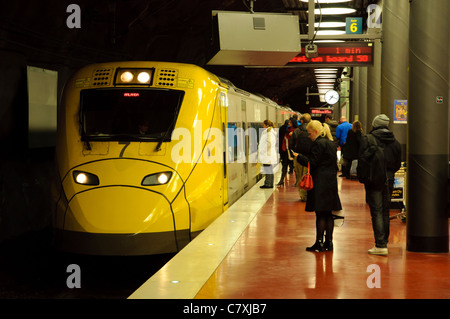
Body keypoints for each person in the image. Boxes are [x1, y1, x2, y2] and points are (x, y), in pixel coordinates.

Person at [292, 120, 342, 252]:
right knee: (329, 214)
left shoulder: (318, 144)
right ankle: (329, 243)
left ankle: (319, 243)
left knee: (320, 214)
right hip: (331, 181)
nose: (309, 136)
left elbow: (312, 162)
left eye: (309, 134)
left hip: (320, 182)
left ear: (315, 132)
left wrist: (299, 157)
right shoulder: (331, 143)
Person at [360, 114, 401, 255]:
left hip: (374, 179)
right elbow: (397, 164)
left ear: (374, 124)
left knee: (376, 211)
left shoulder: (368, 139)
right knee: (385, 211)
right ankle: (384, 243)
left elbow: (362, 160)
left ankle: (380, 244)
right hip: (389, 179)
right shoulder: (395, 142)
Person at [290, 113, 312, 201]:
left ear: (301, 121)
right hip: (309, 157)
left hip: (298, 156)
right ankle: (309, 193)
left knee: (300, 176)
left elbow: (291, 144)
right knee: (308, 174)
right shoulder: (312, 130)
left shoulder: (296, 131)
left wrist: (294, 154)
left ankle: (303, 196)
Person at [276, 118, 297, 185]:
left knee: (295, 167)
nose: (288, 123)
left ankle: (297, 181)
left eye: (290, 122)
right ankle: (281, 180)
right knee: (284, 166)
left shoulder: (295, 131)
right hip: (286, 151)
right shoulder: (287, 130)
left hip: (292, 152)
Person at [258, 120, 278, 189]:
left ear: (267, 125)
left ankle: (268, 184)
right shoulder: (269, 132)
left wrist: (263, 151)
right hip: (268, 154)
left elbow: (269, 143)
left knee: (268, 169)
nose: (262, 126)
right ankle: (268, 183)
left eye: (263, 125)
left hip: (267, 154)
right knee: (268, 169)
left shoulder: (269, 133)